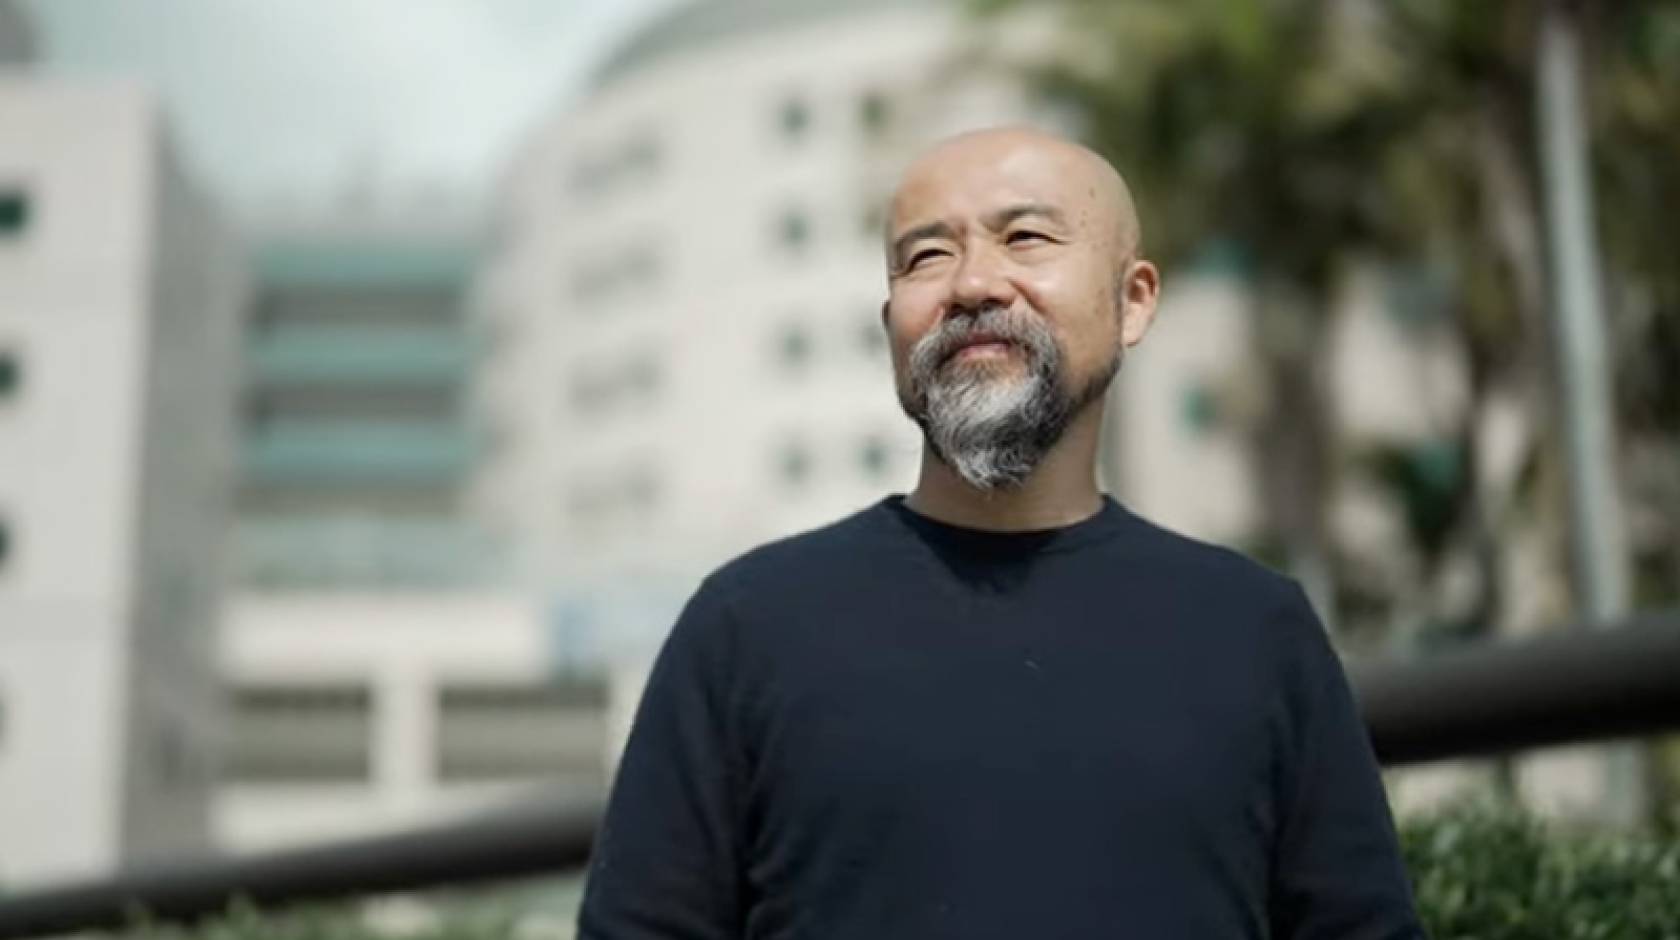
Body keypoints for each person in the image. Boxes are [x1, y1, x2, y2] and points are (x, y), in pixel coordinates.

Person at [576, 126, 1424, 939]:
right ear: (890, 328)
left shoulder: (1256, 630)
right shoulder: (747, 629)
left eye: (1024, 238)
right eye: (927, 256)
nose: (974, 284)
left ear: (1133, 301)